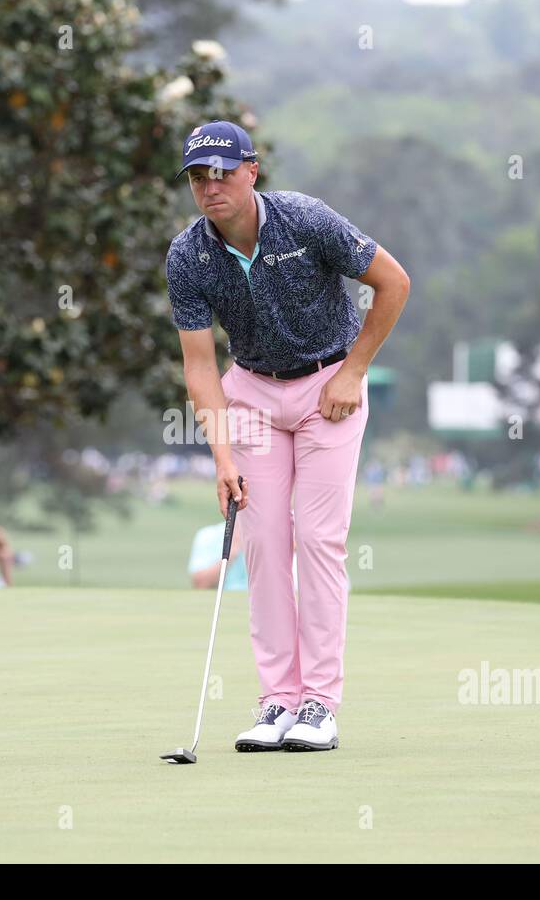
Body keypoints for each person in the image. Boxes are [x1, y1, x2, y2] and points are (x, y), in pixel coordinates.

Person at [166, 120, 410, 752]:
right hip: (249, 392)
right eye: (198, 177)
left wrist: (354, 371)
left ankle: (318, 706)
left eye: (222, 172)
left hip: (327, 390)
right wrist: (221, 458)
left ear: (252, 170)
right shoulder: (189, 255)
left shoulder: (305, 221)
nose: (211, 187)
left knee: (319, 541)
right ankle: (277, 699)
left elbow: (394, 283)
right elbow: (199, 366)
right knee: (265, 544)